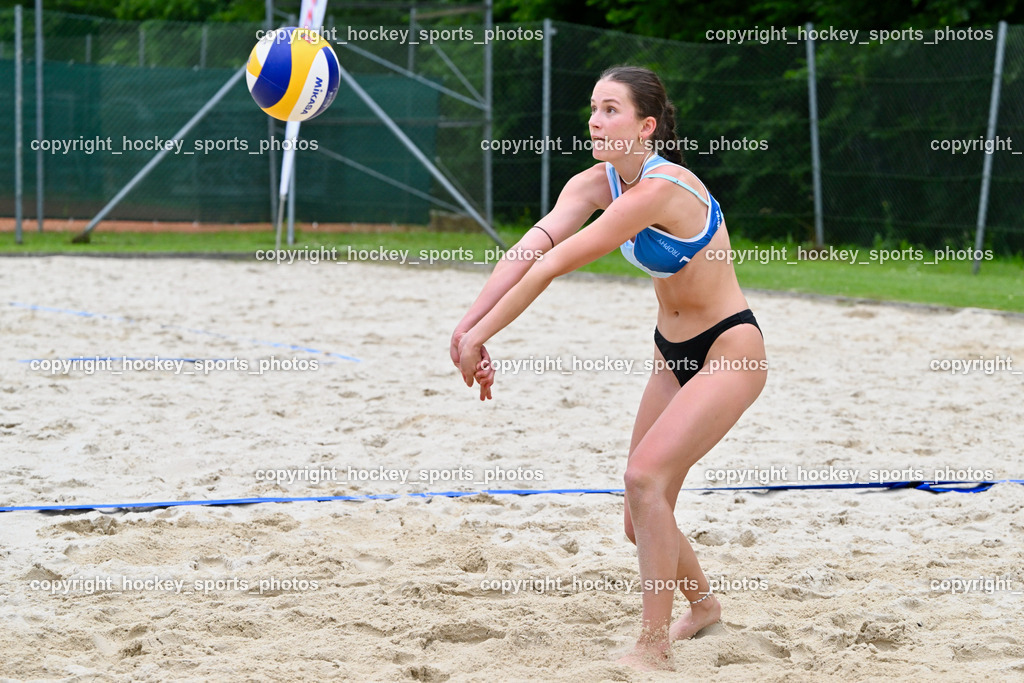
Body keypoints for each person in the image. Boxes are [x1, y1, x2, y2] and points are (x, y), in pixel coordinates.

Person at [450, 65, 767, 671]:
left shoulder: (662, 189)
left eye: (611, 109)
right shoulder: (595, 184)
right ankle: (702, 608)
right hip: (669, 354)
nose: (596, 120)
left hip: (731, 349)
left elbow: (552, 267)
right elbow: (527, 251)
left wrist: (484, 335)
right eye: (593, 109)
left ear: (646, 126)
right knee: (638, 517)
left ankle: (652, 647)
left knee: (644, 482)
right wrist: (468, 327)